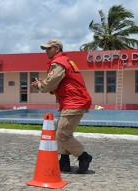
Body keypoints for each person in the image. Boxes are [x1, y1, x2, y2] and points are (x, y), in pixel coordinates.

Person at [31, 39, 92, 174]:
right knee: (60, 131)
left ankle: (83, 156)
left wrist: (40, 85)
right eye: (45, 49)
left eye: (48, 48)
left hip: (74, 101)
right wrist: (45, 85)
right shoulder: (66, 61)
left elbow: (50, 84)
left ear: (57, 48)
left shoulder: (59, 63)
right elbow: (57, 86)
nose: (46, 51)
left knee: (62, 134)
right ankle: (64, 162)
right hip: (72, 100)